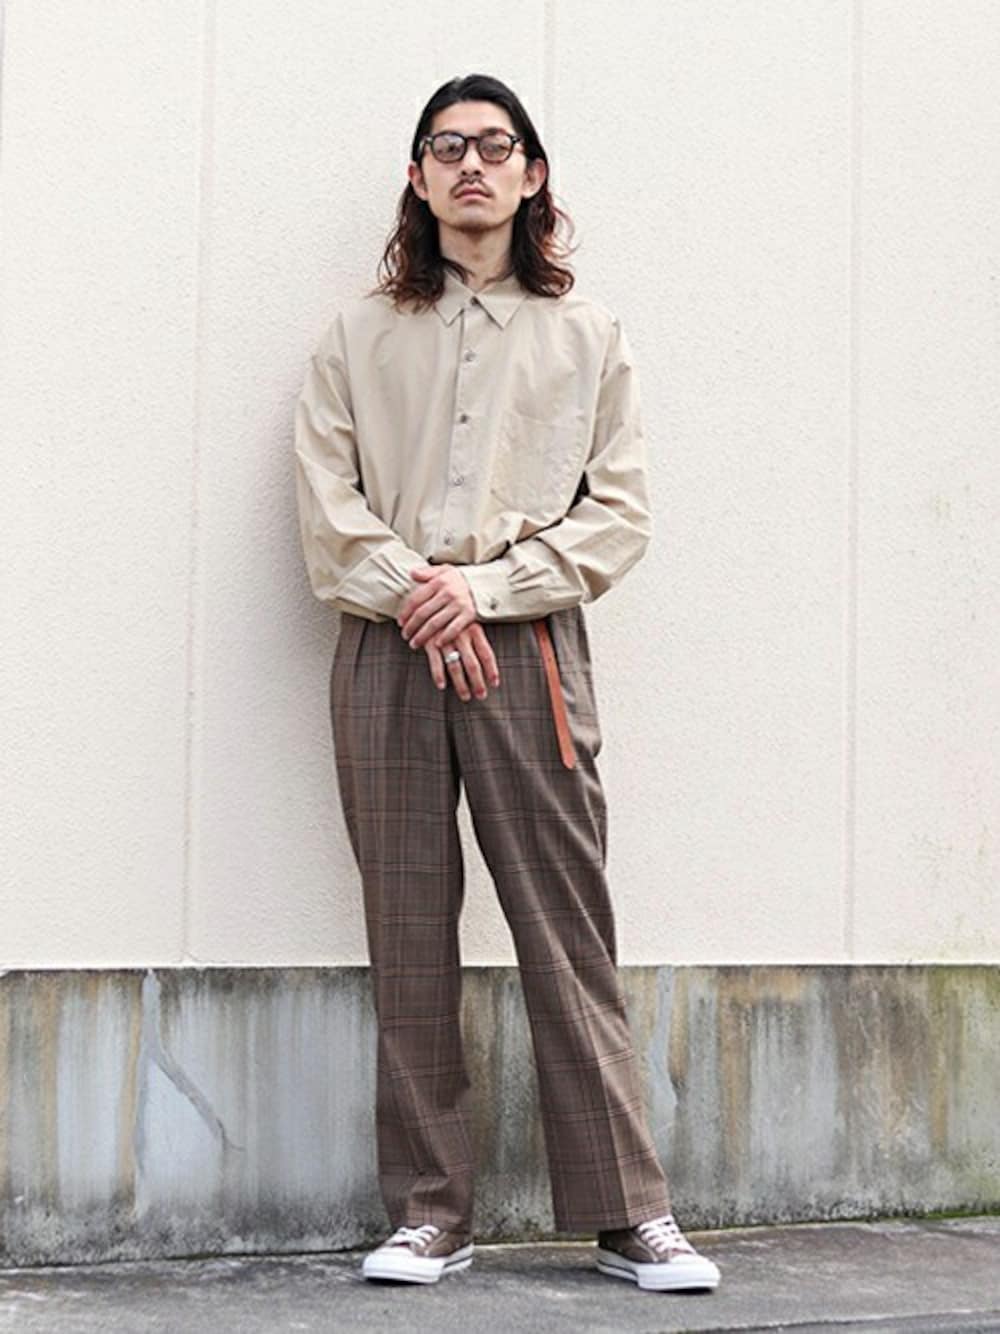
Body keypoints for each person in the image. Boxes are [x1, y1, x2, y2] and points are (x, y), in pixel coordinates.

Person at [293, 72, 721, 1295]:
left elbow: (617, 513)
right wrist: (419, 593)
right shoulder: (354, 337)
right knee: (406, 930)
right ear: (417, 178)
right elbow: (326, 508)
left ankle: (629, 1211)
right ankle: (431, 1211)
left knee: (565, 923)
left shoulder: (588, 337)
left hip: (525, 643)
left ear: (532, 175)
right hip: (385, 645)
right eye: (445, 147)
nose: (469, 165)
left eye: (494, 145)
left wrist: (479, 592)